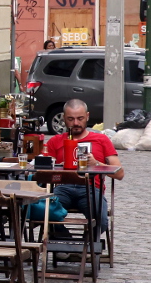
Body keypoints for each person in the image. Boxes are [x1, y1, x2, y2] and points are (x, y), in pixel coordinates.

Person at [44, 99, 124, 238]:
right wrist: (58, 166)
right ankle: (66, 241)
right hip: (63, 187)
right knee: (45, 212)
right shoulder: (55, 141)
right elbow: (43, 171)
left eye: (80, 118)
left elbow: (119, 173)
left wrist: (97, 164)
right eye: (71, 119)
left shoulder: (101, 139)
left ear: (87, 116)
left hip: (92, 188)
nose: (76, 123)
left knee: (101, 220)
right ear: (64, 119)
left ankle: (87, 244)